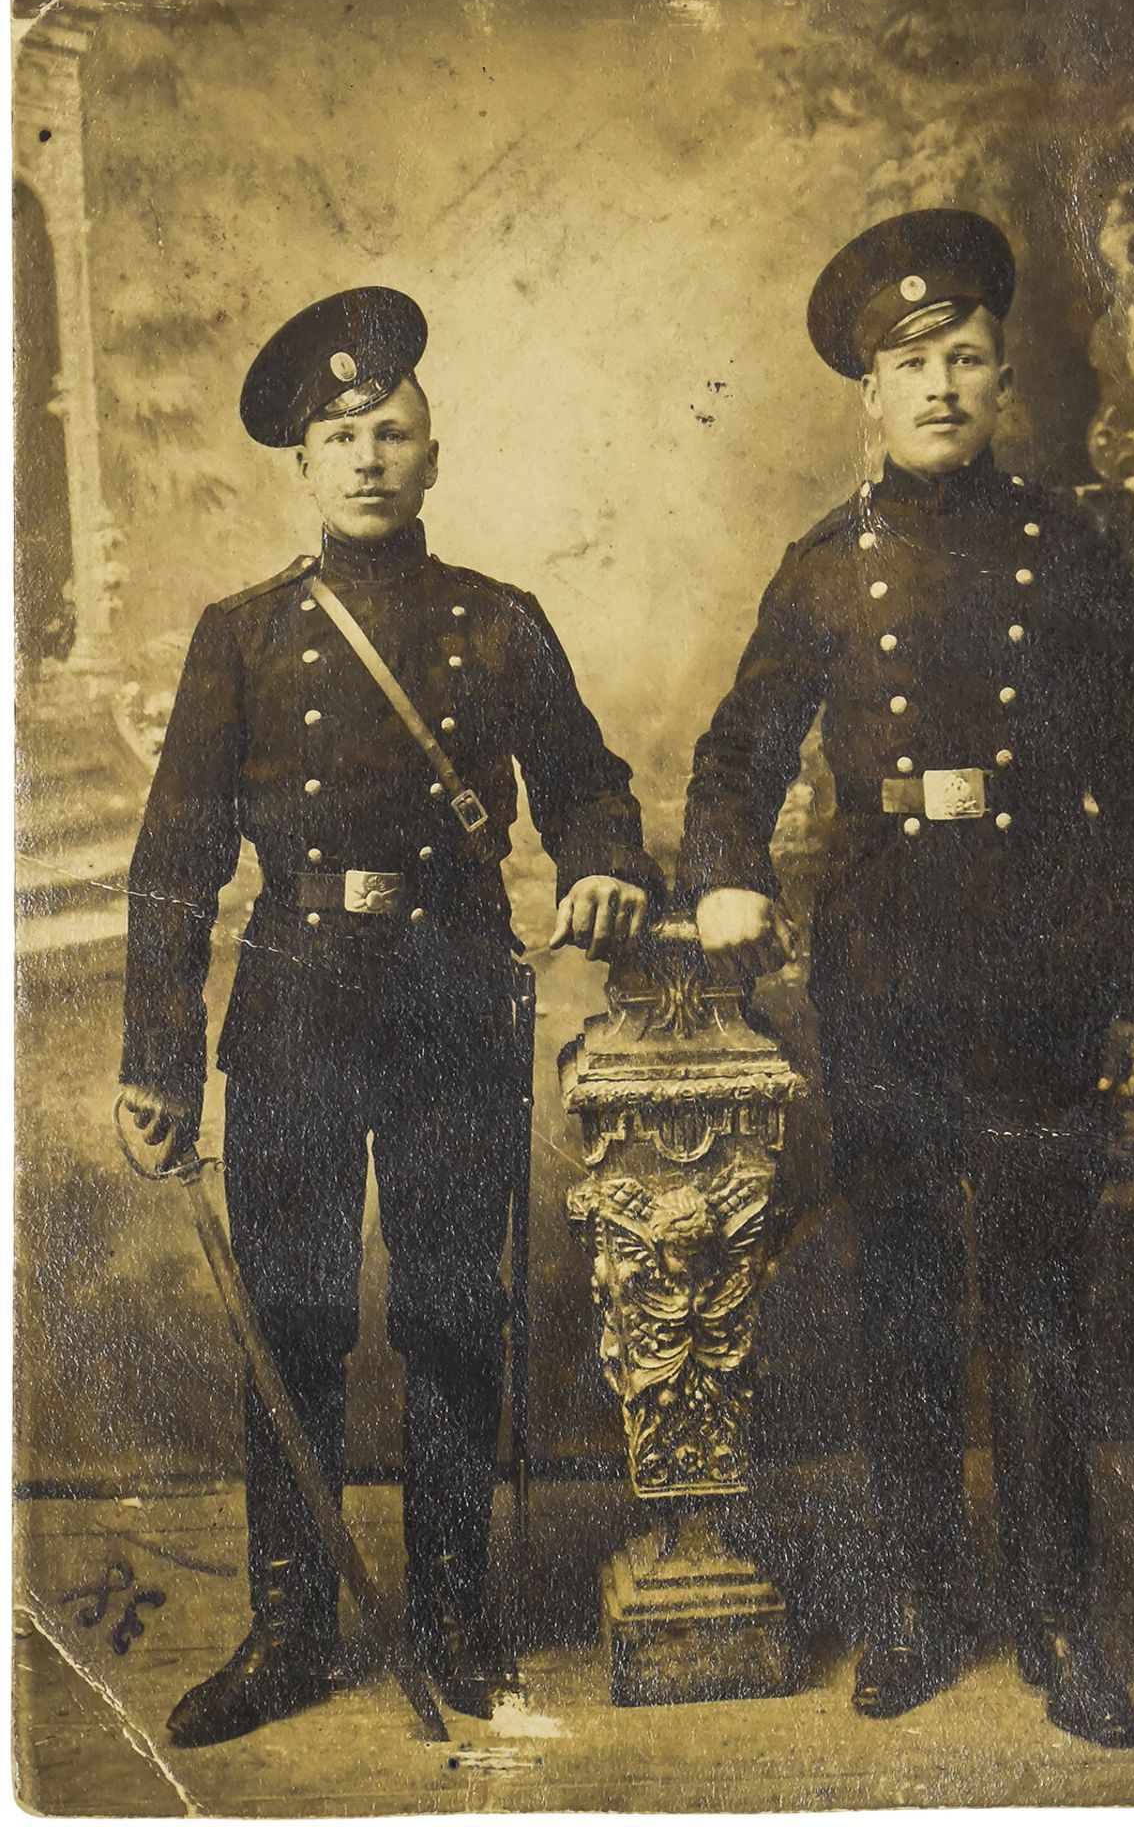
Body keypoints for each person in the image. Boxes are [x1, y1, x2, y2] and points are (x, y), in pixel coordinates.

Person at [120, 287, 661, 1746]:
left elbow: (588, 784)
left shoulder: (500, 623)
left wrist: (605, 865)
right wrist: (159, 1061)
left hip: (445, 1011)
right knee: (287, 1325)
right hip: (292, 1008)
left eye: (392, 431)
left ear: (434, 453)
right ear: (304, 464)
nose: (367, 455)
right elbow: (175, 865)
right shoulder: (239, 638)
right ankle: (289, 1632)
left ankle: (455, 1623)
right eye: (340, 434)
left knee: (447, 1317)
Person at [677, 210, 1134, 1748]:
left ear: (996, 375)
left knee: (1039, 1308)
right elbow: (735, 750)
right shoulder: (825, 568)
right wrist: (720, 872)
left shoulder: (1072, 553)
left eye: (966, 357)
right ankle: (912, 1604)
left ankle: (1057, 1618)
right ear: (868, 391)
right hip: (887, 964)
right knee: (896, 1296)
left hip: (1043, 960)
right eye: (913, 364)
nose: (942, 386)